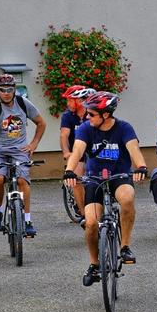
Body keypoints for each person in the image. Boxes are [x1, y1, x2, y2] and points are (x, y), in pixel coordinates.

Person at [63, 91, 147, 287]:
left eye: (92, 114)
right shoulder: (86, 128)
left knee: (127, 198)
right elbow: (77, 151)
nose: (87, 117)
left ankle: (125, 247)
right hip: (94, 179)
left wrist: (141, 167)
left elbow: (134, 149)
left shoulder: (124, 128)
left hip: (119, 176)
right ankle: (94, 265)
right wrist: (69, 171)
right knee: (91, 223)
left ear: (106, 115)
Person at [0, 74, 47, 237]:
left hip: (20, 151)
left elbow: (41, 123)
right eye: (2, 90)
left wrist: (34, 144)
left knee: (22, 181)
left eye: (9, 89)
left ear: (14, 90)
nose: (6, 93)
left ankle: (27, 220)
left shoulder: (22, 103)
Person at [59, 85, 92, 225]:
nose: (67, 103)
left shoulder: (92, 113)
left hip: (93, 151)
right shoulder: (68, 116)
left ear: (79, 101)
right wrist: (66, 152)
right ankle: (84, 213)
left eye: (69, 100)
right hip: (77, 153)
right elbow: (64, 135)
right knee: (76, 179)